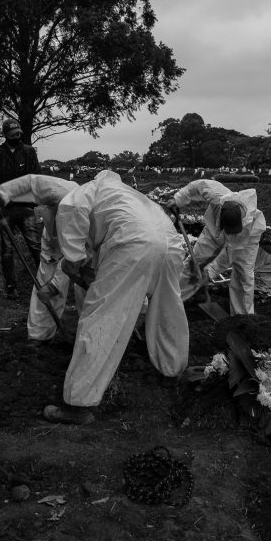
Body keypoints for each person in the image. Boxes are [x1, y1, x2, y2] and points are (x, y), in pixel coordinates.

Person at [46, 170, 188, 425]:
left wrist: (73, 258)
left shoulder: (88, 190)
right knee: (168, 309)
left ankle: (78, 403)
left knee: (102, 316)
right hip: (170, 244)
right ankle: (172, 369)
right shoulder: (131, 195)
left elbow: (70, 210)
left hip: (133, 244)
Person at [0, 174, 80, 342]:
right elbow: (32, 182)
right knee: (45, 281)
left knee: (69, 286)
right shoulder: (63, 190)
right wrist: (1, 194)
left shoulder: (86, 218)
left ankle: (88, 329)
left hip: (75, 248)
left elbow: (72, 259)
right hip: (52, 236)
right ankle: (39, 335)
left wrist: (54, 286)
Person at [166, 179, 267, 315]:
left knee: (244, 274)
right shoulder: (216, 194)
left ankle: (242, 317)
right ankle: (171, 299)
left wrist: (209, 272)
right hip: (213, 231)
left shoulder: (245, 228)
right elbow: (197, 186)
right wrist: (178, 200)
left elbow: (229, 255)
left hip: (247, 240)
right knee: (194, 263)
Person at [0, 119, 41, 299]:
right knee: (7, 249)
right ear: (5, 135)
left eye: (19, 133)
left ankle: (45, 281)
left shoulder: (28, 151)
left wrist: (31, 199)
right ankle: (11, 286)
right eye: (13, 134)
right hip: (5, 209)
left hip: (26, 207)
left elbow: (36, 177)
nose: (17, 136)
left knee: (35, 245)